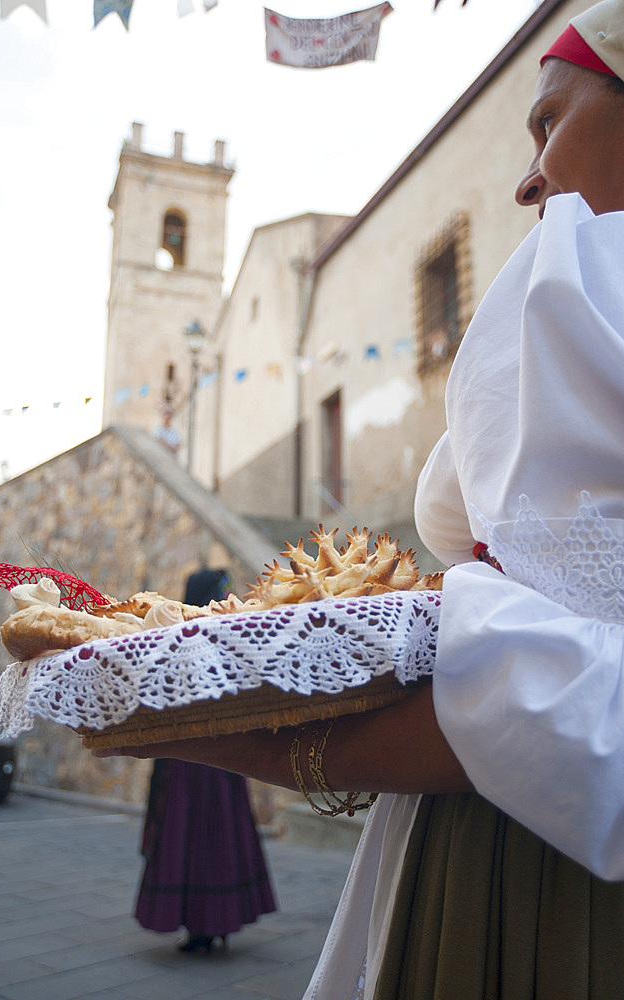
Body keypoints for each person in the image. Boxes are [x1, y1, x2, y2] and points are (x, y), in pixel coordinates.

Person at [97, 1, 624, 994]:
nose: (525, 177)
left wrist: (201, 714)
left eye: (549, 121)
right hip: (450, 853)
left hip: (558, 896)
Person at [133, 568, 277, 953]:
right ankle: (211, 922)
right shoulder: (182, 639)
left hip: (202, 761)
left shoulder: (210, 638)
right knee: (203, 832)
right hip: (197, 760)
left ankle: (210, 922)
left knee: (201, 832)